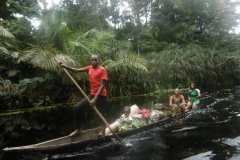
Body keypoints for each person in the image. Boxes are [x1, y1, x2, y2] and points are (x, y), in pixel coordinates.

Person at [58, 54, 108, 137]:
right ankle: (79, 129)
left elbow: (102, 85)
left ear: (98, 60)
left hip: (101, 96)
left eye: (95, 60)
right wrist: (65, 66)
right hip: (92, 94)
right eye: (92, 60)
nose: (94, 61)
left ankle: (103, 135)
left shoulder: (102, 70)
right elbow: (76, 70)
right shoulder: (89, 68)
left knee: (102, 115)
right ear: (90, 61)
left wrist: (95, 99)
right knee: (77, 107)